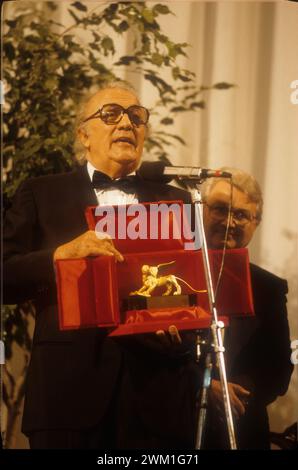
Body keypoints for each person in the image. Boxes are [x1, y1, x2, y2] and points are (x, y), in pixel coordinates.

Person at [3, 81, 201, 449]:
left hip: (157, 395)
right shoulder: (41, 192)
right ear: (83, 134)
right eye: (111, 114)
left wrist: (183, 328)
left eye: (137, 117)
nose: (127, 123)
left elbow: (196, 288)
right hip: (66, 394)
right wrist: (60, 255)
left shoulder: (179, 201)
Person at [200, 167, 293, 449]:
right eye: (219, 209)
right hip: (172, 429)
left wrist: (233, 391)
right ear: (200, 211)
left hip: (242, 430)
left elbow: (279, 369)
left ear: (256, 223)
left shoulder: (270, 288)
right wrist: (204, 388)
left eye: (241, 215)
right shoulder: (167, 273)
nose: (229, 222)